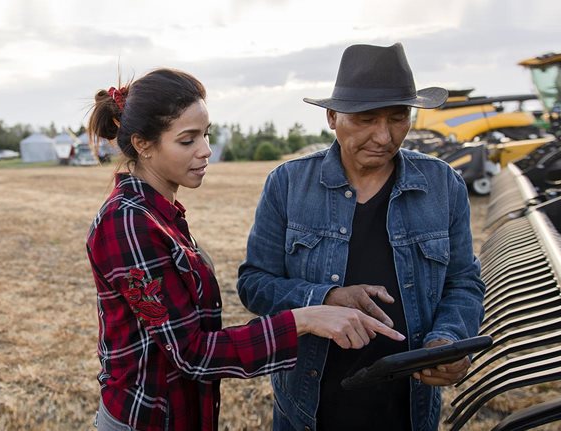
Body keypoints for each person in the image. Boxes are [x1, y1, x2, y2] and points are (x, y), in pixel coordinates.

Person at [85, 68, 405, 431]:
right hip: (146, 419)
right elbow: (191, 353)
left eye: (205, 134)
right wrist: (306, 319)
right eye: (187, 140)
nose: (206, 151)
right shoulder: (128, 224)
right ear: (143, 144)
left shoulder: (160, 214)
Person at [237, 44, 486, 431]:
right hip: (310, 406)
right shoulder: (288, 184)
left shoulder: (443, 185)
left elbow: (463, 282)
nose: (384, 136)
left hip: (408, 407)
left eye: (398, 117)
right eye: (367, 119)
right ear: (332, 117)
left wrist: (449, 340)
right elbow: (254, 285)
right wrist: (326, 298)